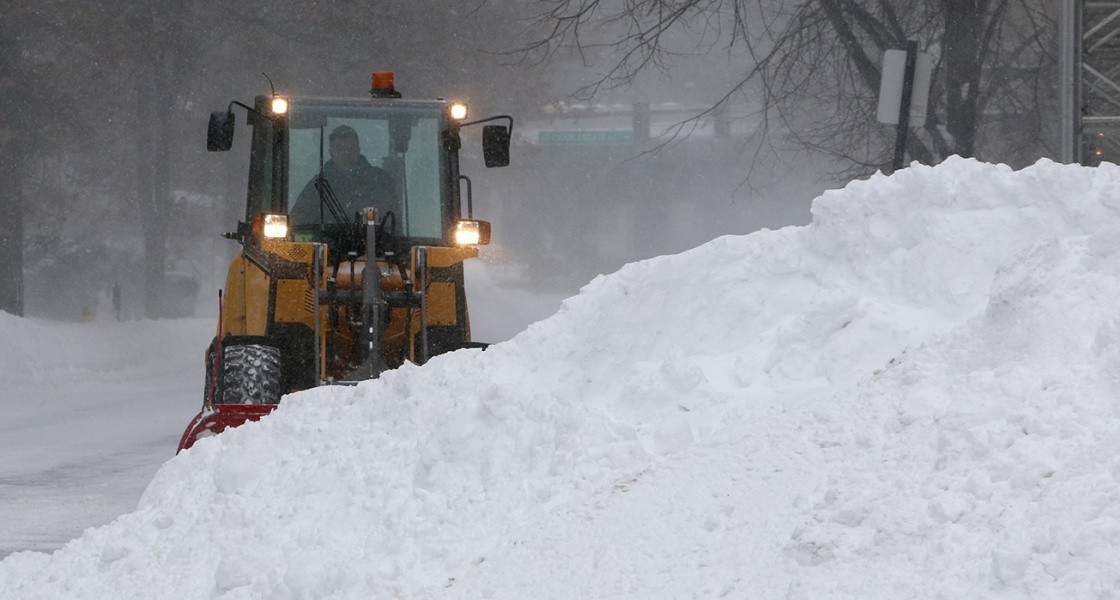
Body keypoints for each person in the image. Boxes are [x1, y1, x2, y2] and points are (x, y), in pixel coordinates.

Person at [290, 125, 398, 226]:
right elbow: (297, 222)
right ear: (331, 152)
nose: (346, 153)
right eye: (339, 148)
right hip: (327, 244)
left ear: (358, 150)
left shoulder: (379, 180)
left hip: (374, 244)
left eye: (351, 148)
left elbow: (392, 221)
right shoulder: (319, 185)